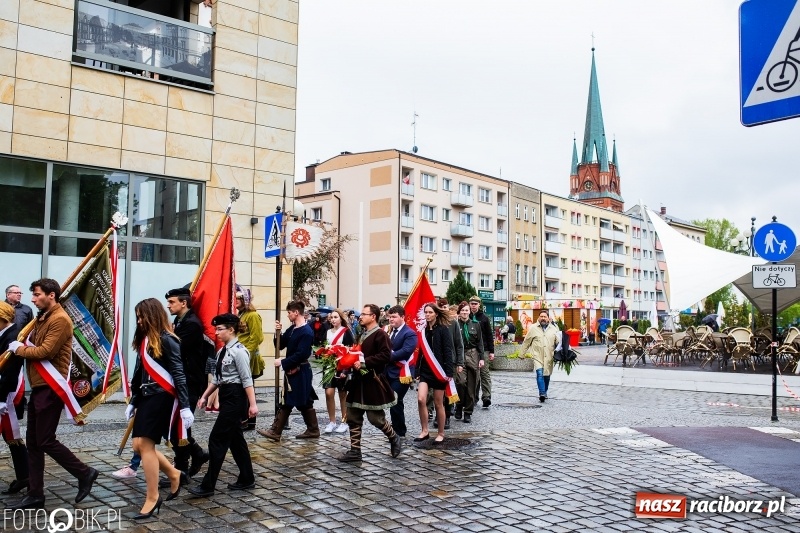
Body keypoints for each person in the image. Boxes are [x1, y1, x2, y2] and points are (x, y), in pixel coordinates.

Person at [6, 279, 98, 510]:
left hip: (50, 387)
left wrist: (20, 349)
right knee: (34, 443)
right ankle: (36, 494)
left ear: (52, 295)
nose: (33, 299)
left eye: (37, 295)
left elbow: (46, 351)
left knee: (45, 439)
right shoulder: (43, 317)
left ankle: (85, 472)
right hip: (40, 386)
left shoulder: (60, 320)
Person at [127, 298, 193, 519]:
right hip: (146, 397)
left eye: (141, 316)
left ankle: (152, 498)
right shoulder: (145, 340)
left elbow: (179, 373)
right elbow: (139, 374)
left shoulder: (168, 339)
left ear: (152, 315)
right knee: (138, 445)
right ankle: (175, 474)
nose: (139, 321)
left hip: (163, 397)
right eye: (137, 317)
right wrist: (134, 400)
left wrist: (185, 407)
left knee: (145, 445)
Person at [188, 314, 258, 497]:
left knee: (216, 439)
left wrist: (253, 404)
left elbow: (246, 379)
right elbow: (217, 380)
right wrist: (204, 396)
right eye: (216, 329)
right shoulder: (222, 352)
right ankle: (247, 478)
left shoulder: (240, 351)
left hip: (236, 397)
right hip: (227, 395)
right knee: (236, 441)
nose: (216, 332)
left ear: (231, 329)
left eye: (220, 329)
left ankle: (208, 485)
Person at [336, 304, 401, 462]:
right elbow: (354, 354)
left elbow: (386, 356)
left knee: (375, 418)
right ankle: (355, 451)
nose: (361, 317)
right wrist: (345, 370)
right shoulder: (362, 334)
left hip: (373, 381)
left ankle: (394, 437)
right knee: (353, 415)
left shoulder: (381, 335)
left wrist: (365, 363)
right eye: (362, 314)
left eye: (365, 314)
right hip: (358, 382)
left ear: (373, 317)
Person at [163, 287, 209, 481]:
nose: (168, 305)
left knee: (180, 425)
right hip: (181, 380)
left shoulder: (192, 324)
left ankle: (181, 470)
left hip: (189, 380)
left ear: (184, 302)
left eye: (172, 302)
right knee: (177, 425)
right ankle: (196, 455)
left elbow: (177, 350)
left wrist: (167, 335)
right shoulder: (180, 321)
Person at [258, 300, 318, 441]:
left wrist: (283, 362)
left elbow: (302, 354)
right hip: (293, 370)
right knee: (305, 401)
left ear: (296, 312)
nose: (288, 315)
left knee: (288, 400)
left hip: (300, 371)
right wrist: (277, 332)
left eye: (289, 312)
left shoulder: (307, 332)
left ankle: (276, 431)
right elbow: (280, 345)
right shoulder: (292, 329)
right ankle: (313, 429)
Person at [415, 303, 453, 444]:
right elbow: (420, 352)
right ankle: (424, 431)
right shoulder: (423, 331)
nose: (428, 315)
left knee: (438, 403)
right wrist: (417, 370)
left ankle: (441, 433)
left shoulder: (443, 330)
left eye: (430, 312)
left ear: (436, 314)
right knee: (421, 399)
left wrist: (449, 372)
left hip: (439, 370)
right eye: (426, 312)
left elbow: (448, 351)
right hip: (425, 370)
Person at [0, 302, 28, 495]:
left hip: (6, 394)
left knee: (12, 437)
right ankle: (25, 475)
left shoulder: (14, 336)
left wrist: (2, 398)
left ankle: (25, 476)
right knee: (11, 438)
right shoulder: (5, 333)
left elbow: (11, 372)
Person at [385, 305, 418, 438]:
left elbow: (405, 352)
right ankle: (395, 426)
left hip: (402, 373)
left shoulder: (409, 333)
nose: (391, 319)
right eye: (390, 317)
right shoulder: (389, 331)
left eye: (394, 317)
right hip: (388, 372)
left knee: (396, 400)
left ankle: (400, 431)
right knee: (391, 401)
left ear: (402, 317)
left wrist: (385, 356)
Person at [235, 287, 264, 431]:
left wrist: (246, 353)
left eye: (238, 299)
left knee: (248, 389)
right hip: (242, 354)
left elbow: (257, 338)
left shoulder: (252, 315)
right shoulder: (241, 314)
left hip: (249, 357)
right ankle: (244, 420)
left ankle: (249, 422)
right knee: (243, 389)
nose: (235, 302)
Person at [322, 309, 354, 434]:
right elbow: (323, 347)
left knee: (342, 394)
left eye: (336, 317)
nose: (333, 319)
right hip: (329, 366)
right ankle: (332, 421)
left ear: (341, 318)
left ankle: (344, 421)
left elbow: (350, 351)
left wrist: (346, 370)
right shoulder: (327, 332)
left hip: (342, 366)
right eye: (332, 317)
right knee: (329, 393)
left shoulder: (346, 332)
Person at [520, 310, 560, 403]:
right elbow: (527, 341)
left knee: (547, 376)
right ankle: (542, 393)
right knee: (539, 373)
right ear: (538, 318)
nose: (543, 318)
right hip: (537, 356)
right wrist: (522, 353)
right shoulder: (533, 328)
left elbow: (558, 342)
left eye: (544, 317)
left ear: (548, 318)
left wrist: (564, 350)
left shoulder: (554, 329)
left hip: (549, 357)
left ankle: (545, 391)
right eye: (541, 316)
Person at [455, 302, 485, 423]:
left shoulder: (476, 325)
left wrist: (482, 358)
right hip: (460, 355)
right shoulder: (455, 325)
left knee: (472, 386)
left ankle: (468, 412)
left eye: (466, 310)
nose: (465, 312)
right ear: (459, 312)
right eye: (462, 310)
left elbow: (480, 342)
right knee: (461, 382)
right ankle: (458, 405)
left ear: (469, 312)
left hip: (473, 355)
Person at [469, 296, 495, 408]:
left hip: (483, 349)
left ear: (479, 305)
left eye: (475, 304)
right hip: (472, 349)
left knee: (484, 373)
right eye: (472, 304)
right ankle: (474, 397)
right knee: (474, 374)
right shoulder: (466, 316)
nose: (473, 305)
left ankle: (486, 397)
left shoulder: (484, 318)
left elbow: (489, 335)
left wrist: (491, 351)